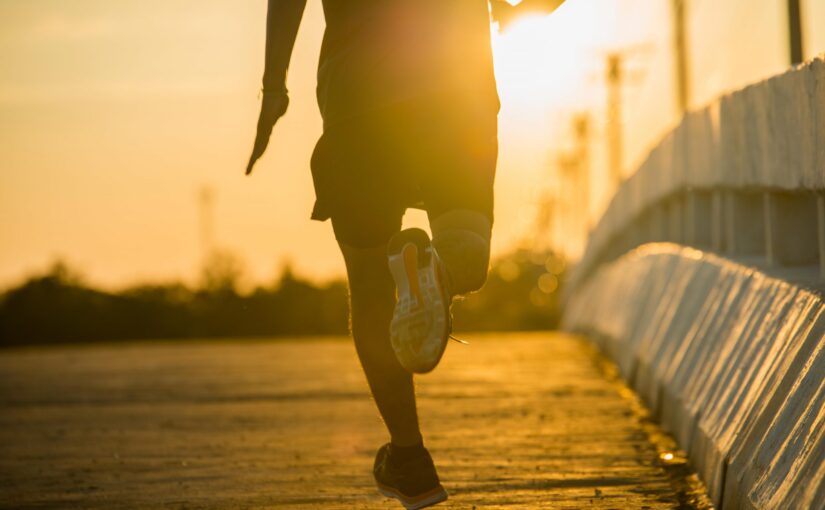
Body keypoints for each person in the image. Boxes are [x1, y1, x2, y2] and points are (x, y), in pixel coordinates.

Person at [246, 2, 530, 508]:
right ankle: (437, 270)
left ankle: (410, 460)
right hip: (457, 88)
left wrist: (274, 86)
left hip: (360, 92)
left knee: (371, 280)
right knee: (467, 253)